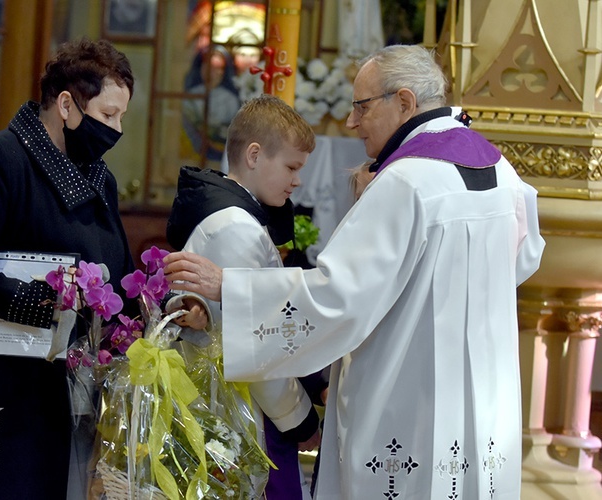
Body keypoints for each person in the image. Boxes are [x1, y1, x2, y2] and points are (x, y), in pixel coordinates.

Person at [163, 44, 545, 499]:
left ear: (403, 102)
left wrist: (231, 286)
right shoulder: (503, 171)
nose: (351, 122)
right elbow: (523, 260)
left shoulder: (406, 181)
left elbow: (336, 296)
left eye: (361, 106)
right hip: (484, 392)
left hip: (408, 391)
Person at [0, 38, 141, 500]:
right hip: (2, 397)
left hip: (70, 397)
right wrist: (48, 302)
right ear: (66, 105)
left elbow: (116, 273)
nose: (117, 129)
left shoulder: (100, 179)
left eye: (122, 116)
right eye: (107, 115)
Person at [166, 94, 324, 499]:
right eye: (291, 166)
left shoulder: (233, 215)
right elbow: (255, 343)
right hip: (244, 415)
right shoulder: (236, 227)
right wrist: (301, 420)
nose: (298, 180)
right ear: (254, 155)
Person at [182, 45, 242, 162]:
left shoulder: (231, 100)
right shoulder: (190, 96)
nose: (212, 72)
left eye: (218, 67)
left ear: (223, 72)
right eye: (207, 66)